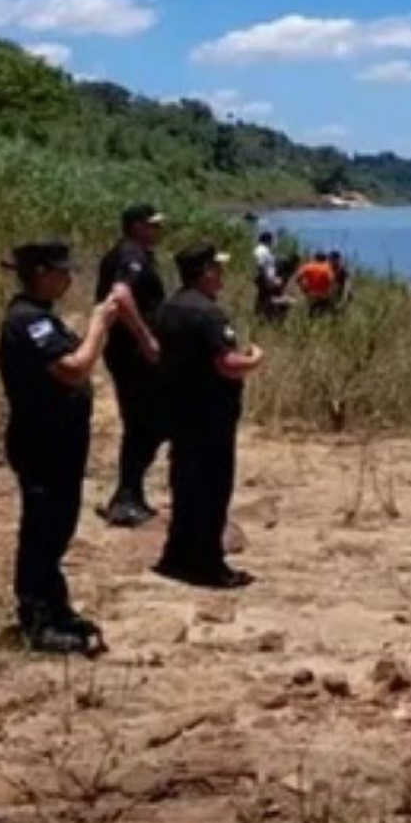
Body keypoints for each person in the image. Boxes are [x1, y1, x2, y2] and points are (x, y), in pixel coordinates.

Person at [0, 242, 118, 655]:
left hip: (60, 441)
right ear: (42, 273)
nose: (69, 279)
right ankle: (36, 618)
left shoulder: (42, 317)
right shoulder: (29, 321)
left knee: (58, 523)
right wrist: (99, 325)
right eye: (63, 272)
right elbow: (72, 369)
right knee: (43, 528)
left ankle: (54, 604)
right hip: (41, 441)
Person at [154, 244, 264, 589]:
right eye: (217, 269)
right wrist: (254, 360)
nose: (222, 275)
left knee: (185, 484)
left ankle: (177, 556)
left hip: (178, 409)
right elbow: (226, 364)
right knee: (212, 490)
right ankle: (206, 564)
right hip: (210, 414)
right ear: (205, 273)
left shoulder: (168, 307)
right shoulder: (209, 314)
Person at [94, 204, 167, 528]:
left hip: (131, 352)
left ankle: (131, 493)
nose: (158, 230)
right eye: (152, 224)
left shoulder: (136, 253)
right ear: (136, 226)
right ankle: (126, 498)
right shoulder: (131, 255)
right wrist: (145, 339)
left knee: (147, 424)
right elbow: (121, 295)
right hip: (132, 353)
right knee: (143, 424)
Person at [297, 251, 338, 316]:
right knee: (333, 313)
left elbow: (298, 277)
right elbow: (332, 281)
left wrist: (304, 289)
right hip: (323, 296)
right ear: (324, 259)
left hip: (311, 295)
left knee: (309, 313)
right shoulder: (327, 268)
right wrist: (329, 293)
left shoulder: (307, 266)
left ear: (315, 258)